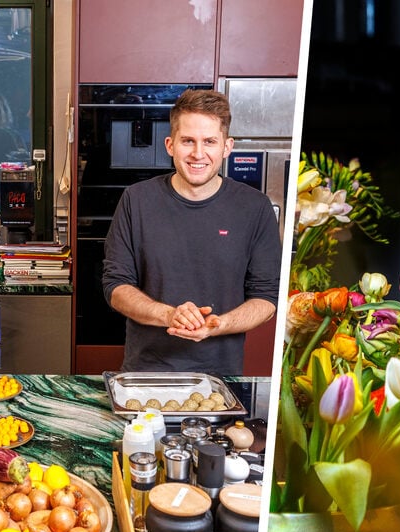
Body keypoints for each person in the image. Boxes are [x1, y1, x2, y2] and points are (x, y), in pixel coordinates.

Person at [102, 89, 281, 375]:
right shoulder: (136, 200)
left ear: (227, 146)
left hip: (221, 379)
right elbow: (116, 287)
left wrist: (218, 324)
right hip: (145, 373)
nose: (198, 153)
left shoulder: (255, 208)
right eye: (188, 141)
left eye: (209, 141)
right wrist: (169, 315)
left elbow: (267, 298)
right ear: (170, 145)